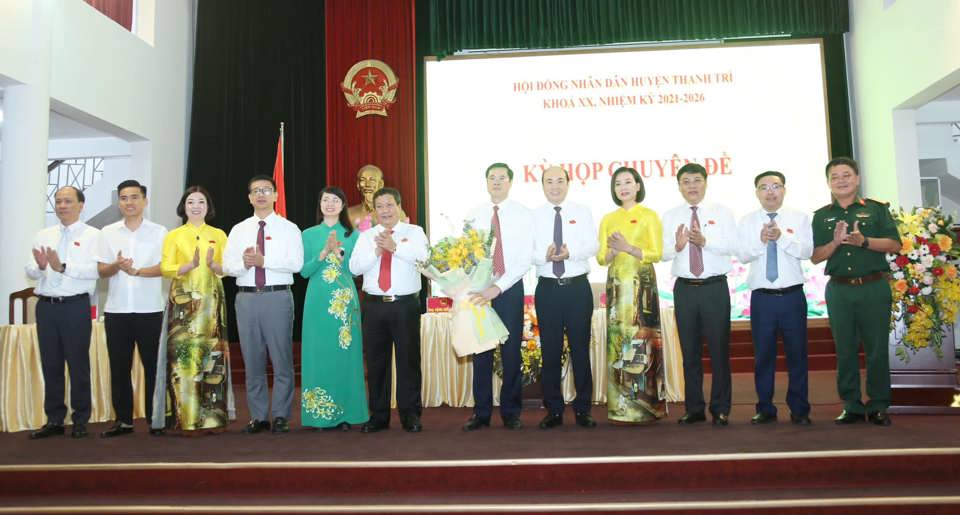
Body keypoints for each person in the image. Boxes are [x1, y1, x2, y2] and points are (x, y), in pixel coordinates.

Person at [812, 157, 901, 426]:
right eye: (835, 176)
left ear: (857, 178)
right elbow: (816, 257)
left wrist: (865, 241)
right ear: (828, 182)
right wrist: (835, 243)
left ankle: (878, 404)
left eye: (846, 175)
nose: (841, 180)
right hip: (840, 290)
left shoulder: (876, 210)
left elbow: (895, 244)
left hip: (873, 287)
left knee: (876, 349)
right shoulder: (821, 215)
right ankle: (851, 404)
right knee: (845, 349)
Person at [223, 175, 304, 434]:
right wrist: (244, 265)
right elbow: (227, 266)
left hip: (277, 296)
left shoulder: (289, 228)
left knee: (281, 359)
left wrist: (263, 260)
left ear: (276, 195)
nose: (261, 195)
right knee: (252, 360)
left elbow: (296, 264)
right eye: (256, 191)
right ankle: (258, 417)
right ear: (249, 197)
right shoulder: (238, 229)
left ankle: (280, 415)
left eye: (266, 190)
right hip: (246, 297)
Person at [662, 163, 736, 426]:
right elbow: (662, 252)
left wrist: (706, 242)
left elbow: (733, 245)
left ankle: (720, 408)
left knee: (718, 350)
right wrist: (677, 246)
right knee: (689, 352)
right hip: (685, 290)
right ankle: (694, 408)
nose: (691, 186)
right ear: (679, 186)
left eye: (696, 180)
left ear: (705, 182)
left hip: (714, 288)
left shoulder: (722, 212)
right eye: (685, 181)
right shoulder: (671, 215)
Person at [348, 187, 428, 433]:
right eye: (380, 206)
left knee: (408, 361)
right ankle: (379, 415)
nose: (385, 210)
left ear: (399, 206)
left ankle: (410, 414)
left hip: (405, 305)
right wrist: (377, 251)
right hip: (374, 306)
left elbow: (424, 259)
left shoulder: (414, 232)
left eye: (389, 205)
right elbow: (354, 267)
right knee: (376, 363)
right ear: (374, 210)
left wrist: (395, 247)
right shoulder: (366, 236)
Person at [736, 171, 813, 426]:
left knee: (797, 355)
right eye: (764, 187)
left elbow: (806, 251)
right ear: (756, 192)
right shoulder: (747, 221)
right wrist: (761, 242)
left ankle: (800, 408)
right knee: (763, 355)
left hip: (792, 296)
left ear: (784, 189)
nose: (770, 191)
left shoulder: (799, 218)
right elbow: (744, 255)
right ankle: (765, 407)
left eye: (776, 186)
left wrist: (782, 238)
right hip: (762, 299)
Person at [462, 163, 533, 431]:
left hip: (509, 289)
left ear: (510, 182)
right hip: (479, 289)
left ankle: (511, 412)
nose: (496, 182)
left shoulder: (522, 214)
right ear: (486, 182)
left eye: (502, 177)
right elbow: (466, 253)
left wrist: (498, 286)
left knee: (511, 351)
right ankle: (481, 413)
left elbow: (524, 258)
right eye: (492, 178)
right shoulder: (475, 214)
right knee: (481, 351)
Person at [25, 186, 100, 439]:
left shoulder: (94, 236)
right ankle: (54, 419)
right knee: (51, 364)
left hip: (75, 307)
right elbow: (31, 270)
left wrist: (63, 266)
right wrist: (40, 265)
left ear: (81, 205)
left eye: (68, 201)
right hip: (46, 308)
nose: (62, 206)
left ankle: (80, 419)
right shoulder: (43, 234)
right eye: (58, 201)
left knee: (78, 364)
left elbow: (95, 271)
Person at [159, 186, 233, 434]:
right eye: (191, 202)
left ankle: (213, 418)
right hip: (184, 301)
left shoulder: (219, 234)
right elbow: (166, 268)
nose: (196, 206)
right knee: (183, 357)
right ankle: (185, 416)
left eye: (201, 201)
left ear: (208, 207)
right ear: (184, 207)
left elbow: (228, 268)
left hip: (212, 300)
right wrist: (188, 265)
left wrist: (214, 264)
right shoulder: (174, 235)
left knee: (212, 357)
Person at [97, 179, 167, 437]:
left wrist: (136, 271)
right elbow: (101, 270)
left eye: (134, 197)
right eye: (124, 198)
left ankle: (154, 419)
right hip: (116, 311)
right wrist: (116, 266)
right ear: (119, 202)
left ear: (145, 201)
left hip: (150, 310)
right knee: (119, 367)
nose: (129, 202)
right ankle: (123, 421)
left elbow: (165, 267)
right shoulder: (107, 232)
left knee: (152, 367)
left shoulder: (160, 232)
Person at [532, 166, 599, 429]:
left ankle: (583, 409)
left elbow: (593, 245)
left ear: (568, 183)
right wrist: (545, 257)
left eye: (560, 181)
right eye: (549, 181)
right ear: (543, 185)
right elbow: (529, 252)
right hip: (548, 288)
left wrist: (570, 254)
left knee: (580, 349)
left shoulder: (581, 212)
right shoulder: (534, 216)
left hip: (577, 288)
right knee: (550, 351)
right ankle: (554, 410)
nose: (555, 186)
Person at [597, 167, 666, 424]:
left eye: (628, 182)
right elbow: (601, 258)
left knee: (642, 338)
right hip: (616, 287)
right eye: (618, 184)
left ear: (638, 185)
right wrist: (614, 252)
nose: (623, 187)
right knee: (620, 341)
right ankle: (620, 406)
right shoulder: (608, 219)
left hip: (642, 285)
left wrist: (628, 248)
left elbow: (656, 252)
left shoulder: (649, 216)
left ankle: (648, 406)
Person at [300, 187, 367, 430]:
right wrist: (323, 253)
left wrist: (340, 257)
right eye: (325, 200)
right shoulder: (308, 234)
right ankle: (319, 414)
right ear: (319, 205)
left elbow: (356, 269)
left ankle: (346, 414)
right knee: (318, 355)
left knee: (344, 356)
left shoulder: (353, 235)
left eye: (335, 200)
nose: (330, 204)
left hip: (344, 303)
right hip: (317, 301)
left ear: (343, 205)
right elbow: (304, 272)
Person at [346, 164, 407, 231]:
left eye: (372, 180)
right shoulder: (349, 213)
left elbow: (403, 237)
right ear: (358, 184)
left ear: (381, 184)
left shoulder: (396, 213)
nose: (367, 185)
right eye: (363, 180)